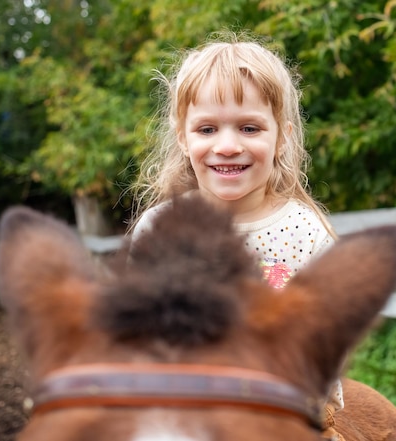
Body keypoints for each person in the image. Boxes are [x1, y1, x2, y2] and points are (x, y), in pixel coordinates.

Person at [129, 34, 344, 440]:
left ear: (281, 136)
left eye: (249, 127)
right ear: (183, 136)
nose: (227, 146)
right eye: (207, 128)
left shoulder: (306, 234)